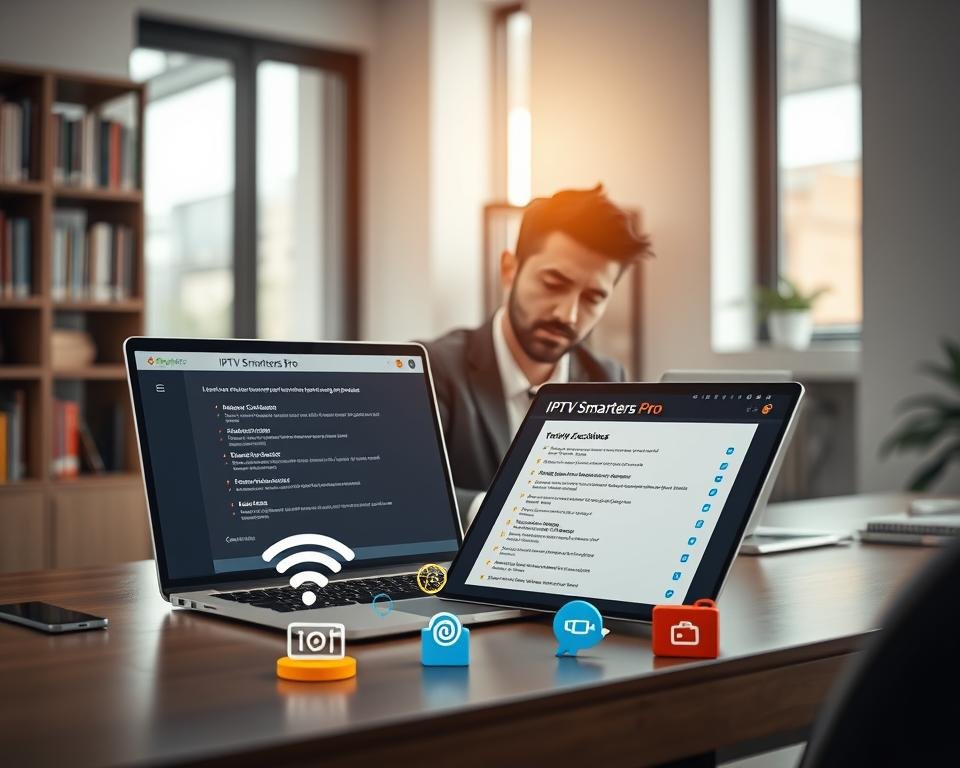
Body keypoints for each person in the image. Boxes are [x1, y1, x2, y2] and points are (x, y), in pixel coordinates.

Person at [423, 185, 653, 526]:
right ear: (509, 270)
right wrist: (503, 515)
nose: (568, 315)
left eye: (592, 298)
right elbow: (405, 491)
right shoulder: (433, 369)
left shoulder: (606, 378)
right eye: (554, 283)